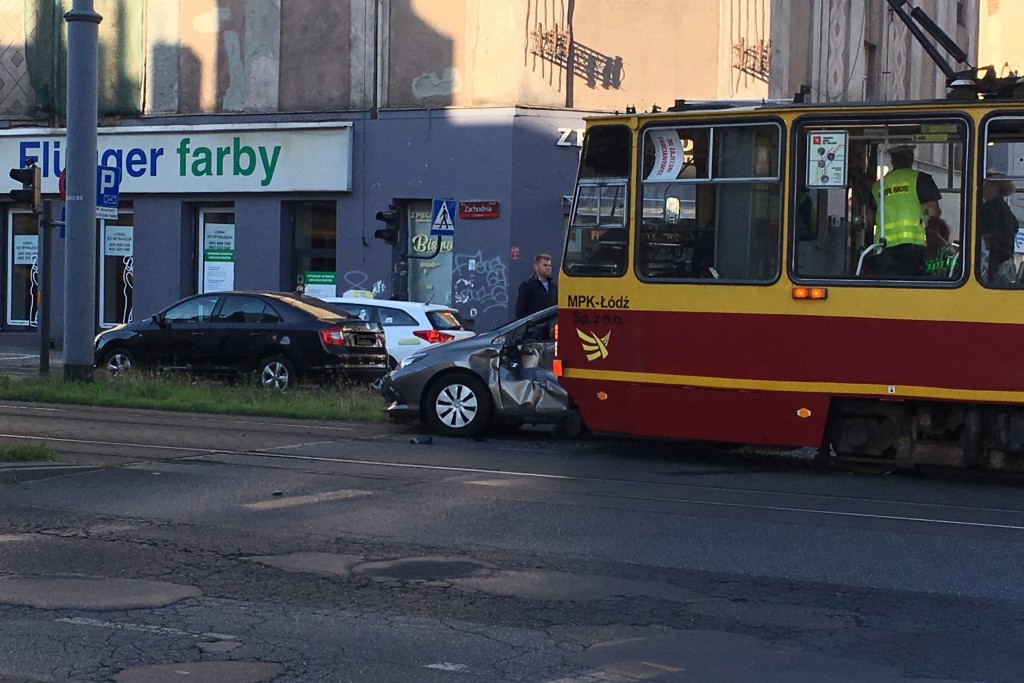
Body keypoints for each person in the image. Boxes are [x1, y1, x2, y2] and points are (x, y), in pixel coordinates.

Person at [864, 145, 942, 277]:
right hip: (913, 247)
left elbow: (870, 219)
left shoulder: (878, 186)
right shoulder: (921, 179)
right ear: (911, 160)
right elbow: (934, 212)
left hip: (883, 246)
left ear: (893, 162)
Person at [978, 175, 1019, 284]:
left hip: (992, 261)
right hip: (1006, 261)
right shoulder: (1005, 208)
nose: (983, 191)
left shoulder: (989, 208)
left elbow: (985, 234)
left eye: (986, 187)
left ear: (995, 188)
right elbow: (1015, 227)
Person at [515, 253, 557, 318]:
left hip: (550, 326)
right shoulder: (528, 286)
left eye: (550, 265)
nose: (548, 268)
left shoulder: (554, 288)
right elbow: (520, 311)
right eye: (545, 265)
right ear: (536, 267)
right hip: (534, 326)